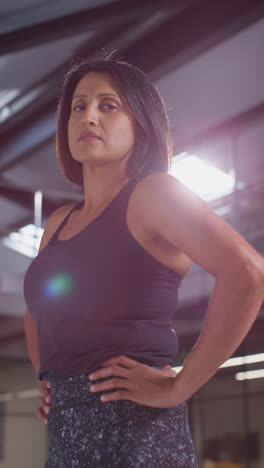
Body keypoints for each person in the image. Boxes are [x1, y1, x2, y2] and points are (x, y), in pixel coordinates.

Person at [23, 53, 264, 468]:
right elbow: (37, 309)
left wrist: (180, 386)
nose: (89, 116)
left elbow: (246, 272)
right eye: (78, 106)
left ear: (141, 125)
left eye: (107, 105)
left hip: (135, 430)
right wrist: (47, 375)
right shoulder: (59, 222)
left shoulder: (153, 194)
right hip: (65, 433)